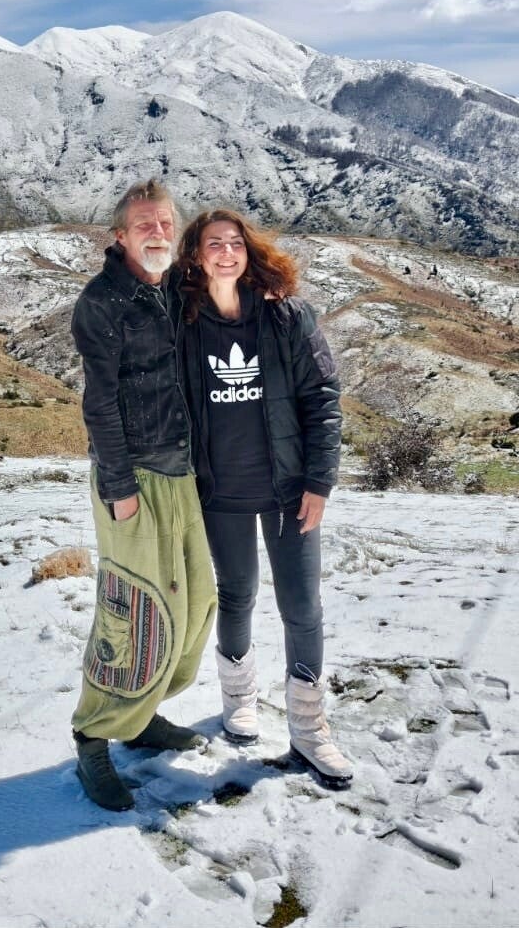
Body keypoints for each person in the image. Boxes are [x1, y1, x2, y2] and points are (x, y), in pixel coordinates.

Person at [176, 208, 353, 787]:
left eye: (235, 243)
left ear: (248, 252)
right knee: (237, 594)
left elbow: (322, 399)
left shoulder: (287, 317)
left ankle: (308, 727)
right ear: (196, 256)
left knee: (302, 606)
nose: (226, 252)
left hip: (287, 488)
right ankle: (239, 701)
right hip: (218, 489)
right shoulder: (183, 321)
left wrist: (319, 481)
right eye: (213, 244)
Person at [68, 179, 218, 812]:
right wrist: (120, 486)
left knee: (195, 605)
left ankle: (143, 714)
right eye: (144, 225)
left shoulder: (179, 292)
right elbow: (99, 402)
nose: (157, 232)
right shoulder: (102, 303)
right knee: (135, 615)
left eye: (165, 223)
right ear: (120, 236)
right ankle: (94, 737)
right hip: (134, 481)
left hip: (186, 475)